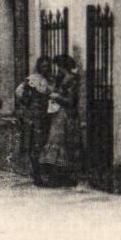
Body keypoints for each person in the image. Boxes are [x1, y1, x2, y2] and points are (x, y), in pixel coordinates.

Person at [37, 54, 82, 187]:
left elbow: (71, 101)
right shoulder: (63, 79)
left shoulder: (70, 80)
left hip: (65, 115)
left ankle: (61, 177)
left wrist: (56, 97)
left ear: (63, 67)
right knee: (57, 143)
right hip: (58, 114)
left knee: (60, 143)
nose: (57, 69)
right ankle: (57, 176)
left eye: (59, 67)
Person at [14, 56, 54, 182]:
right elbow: (19, 92)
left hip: (48, 115)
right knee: (36, 144)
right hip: (36, 115)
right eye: (43, 66)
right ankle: (36, 174)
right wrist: (28, 102)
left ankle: (44, 172)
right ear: (39, 67)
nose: (45, 68)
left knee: (45, 143)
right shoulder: (32, 79)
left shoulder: (50, 80)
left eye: (47, 66)